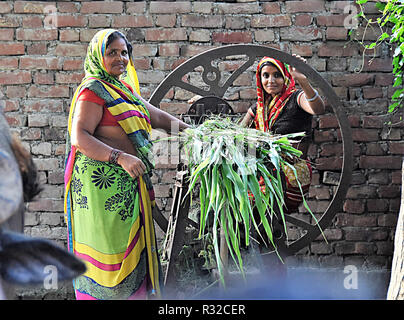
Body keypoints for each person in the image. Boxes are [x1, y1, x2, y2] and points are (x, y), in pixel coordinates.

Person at [64, 29, 189, 300]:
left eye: (124, 52)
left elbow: (154, 116)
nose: (120, 58)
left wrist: (192, 132)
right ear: (99, 56)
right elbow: (79, 136)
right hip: (103, 195)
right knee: (111, 256)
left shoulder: (123, 89)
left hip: (129, 188)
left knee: (133, 256)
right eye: (112, 53)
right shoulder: (93, 90)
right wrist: (119, 157)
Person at [240, 55, 325, 212]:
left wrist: (302, 80)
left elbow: (318, 109)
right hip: (264, 173)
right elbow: (237, 132)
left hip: (289, 178)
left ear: (286, 75)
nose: (271, 80)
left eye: (277, 75)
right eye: (266, 75)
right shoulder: (259, 108)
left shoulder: (296, 97)